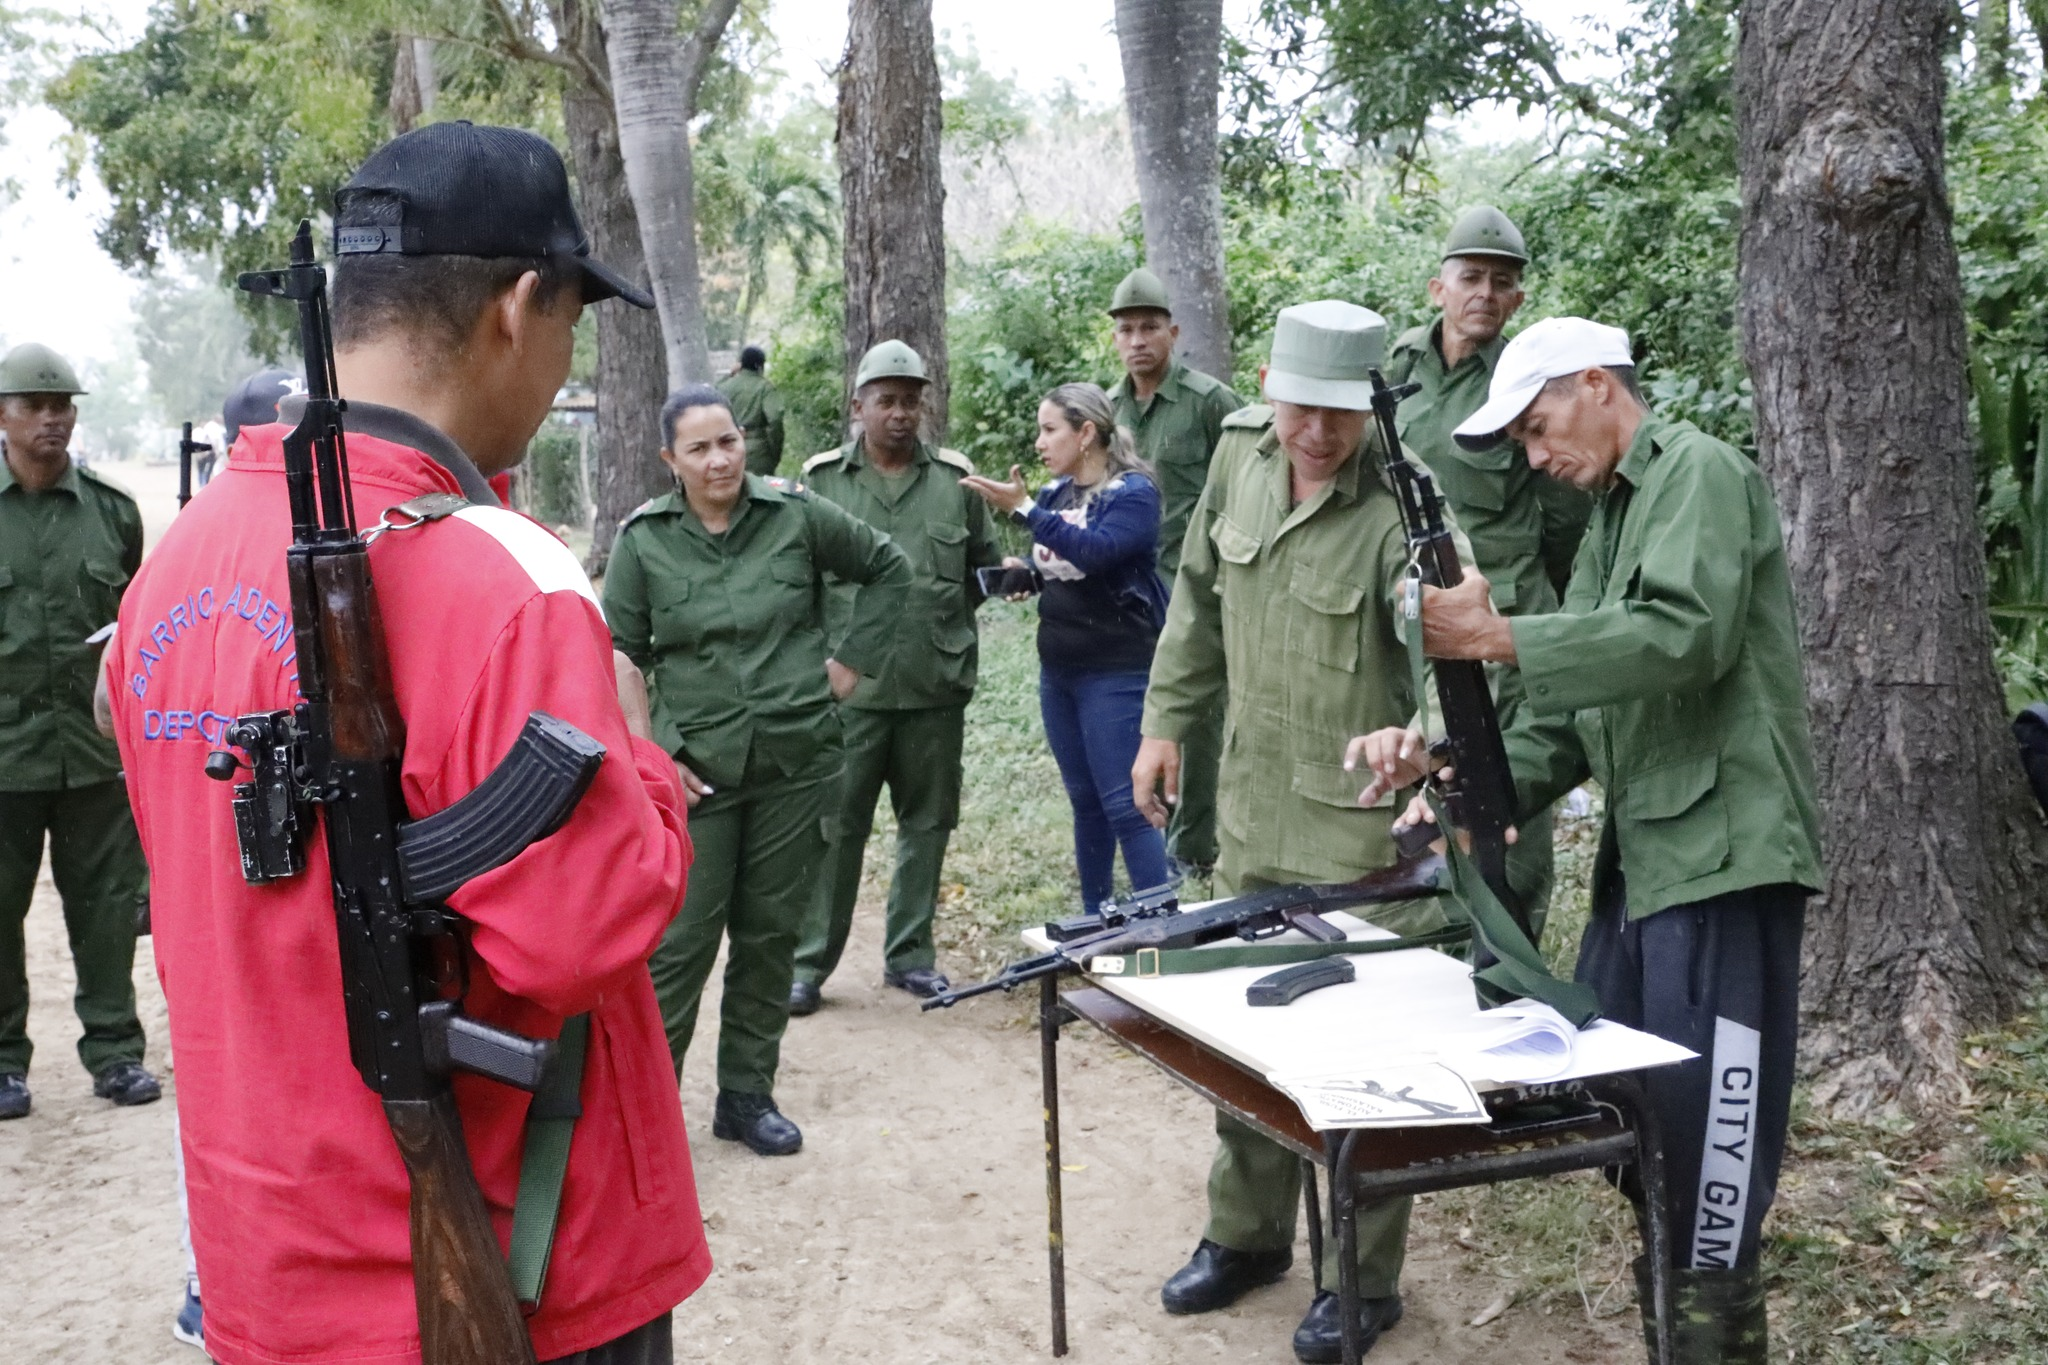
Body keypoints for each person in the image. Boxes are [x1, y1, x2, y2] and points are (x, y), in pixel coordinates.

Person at [107, 122, 708, 1365]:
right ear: (518, 304)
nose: (559, 362)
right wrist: (639, 753)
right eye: (572, 322)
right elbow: (583, 932)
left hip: (268, 1266)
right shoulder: (504, 572)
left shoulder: (177, 560)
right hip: (511, 1274)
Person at [1361, 316, 1823, 1364]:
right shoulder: (1610, 518)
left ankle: (1707, 1342)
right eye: (1520, 443)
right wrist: (1451, 774)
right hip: (1651, 860)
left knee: (1711, 1144)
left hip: (1723, 855)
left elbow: (1682, 634)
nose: (1534, 458)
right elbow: (1568, 720)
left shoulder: (1697, 474)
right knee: (1638, 1120)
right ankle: (1675, 1329)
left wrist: (1492, 634)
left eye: (1535, 428)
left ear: (1593, 386)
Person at [1132, 301, 1469, 1363]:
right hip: (1251, 806)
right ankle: (1246, 1235)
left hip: (1356, 836)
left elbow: (1451, 668)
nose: (1316, 435)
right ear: (1270, 389)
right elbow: (1193, 601)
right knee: (1248, 1029)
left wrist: (1420, 745)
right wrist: (1160, 724)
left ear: (1369, 407)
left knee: (1360, 1061)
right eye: (1299, 410)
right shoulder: (1239, 458)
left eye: (1338, 416)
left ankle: (1360, 1280)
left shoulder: (1406, 505)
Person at [604, 384, 912, 1155]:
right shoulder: (644, 542)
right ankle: (648, 1123)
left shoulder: (795, 515)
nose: (721, 459)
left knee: (771, 937)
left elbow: (888, 568)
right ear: (670, 460)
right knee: (679, 947)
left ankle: (747, 1096)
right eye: (701, 448)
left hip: (793, 760)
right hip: (697, 776)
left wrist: (849, 667)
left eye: (730, 441)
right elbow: (615, 656)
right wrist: (659, 753)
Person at [1383, 205, 1584, 937]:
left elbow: (1566, 521)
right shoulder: (1396, 370)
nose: (1485, 295)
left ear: (1519, 299)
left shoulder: (1527, 382)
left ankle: (1511, 972)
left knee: (1504, 810)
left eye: (1503, 283)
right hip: (1410, 619)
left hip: (1503, 627)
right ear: (1439, 287)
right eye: (1471, 277)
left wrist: (1532, 619)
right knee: (1412, 791)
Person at [790, 340, 1000, 1010]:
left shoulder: (956, 483)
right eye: (887, 400)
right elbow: (798, 586)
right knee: (835, 828)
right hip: (849, 696)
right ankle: (807, 964)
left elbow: (982, 573)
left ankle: (910, 955)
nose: (901, 413)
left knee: (926, 823)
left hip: (932, 688)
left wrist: (946, 636)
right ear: (859, 407)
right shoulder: (821, 482)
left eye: (912, 400)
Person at [0, 340, 159, 1122]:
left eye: (63, 405)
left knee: (105, 908)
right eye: (34, 404)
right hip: (2, 757)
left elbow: (131, 631)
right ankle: (3, 1063)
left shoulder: (112, 512)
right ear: (2, 415)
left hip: (95, 755)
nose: (52, 419)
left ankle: (116, 1052)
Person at [961, 382, 1171, 911]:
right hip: (1060, 672)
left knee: (1129, 804)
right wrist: (1025, 574)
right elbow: (1065, 563)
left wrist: (1025, 509)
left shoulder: (1133, 494)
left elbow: (1098, 552)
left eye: (1049, 429)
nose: (1039, 442)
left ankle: (1166, 927)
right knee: (1086, 803)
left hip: (1117, 671)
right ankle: (1094, 919)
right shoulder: (1058, 495)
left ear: (1086, 433)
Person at [1107, 267, 1244, 880]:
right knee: (1134, 710)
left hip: (1191, 586)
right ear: (1115, 339)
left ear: (1174, 332)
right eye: (1127, 330)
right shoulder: (1105, 412)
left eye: (1150, 328)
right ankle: (1141, 830)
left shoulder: (1211, 401)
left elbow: (1249, 477)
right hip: (1125, 593)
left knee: (1198, 717)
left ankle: (1192, 848)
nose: (1138, 340)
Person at [717, 344, 786, 476]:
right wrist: (774, 451)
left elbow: (711, 394)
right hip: (757, 452)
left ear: (740, 365)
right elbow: (775, 418)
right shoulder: (764, 387)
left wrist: (730, 374)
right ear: (761, 366)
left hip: (727, 447)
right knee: (760, 492)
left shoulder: (724, 386)